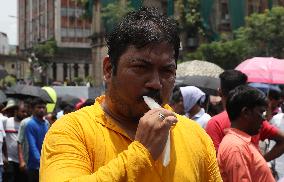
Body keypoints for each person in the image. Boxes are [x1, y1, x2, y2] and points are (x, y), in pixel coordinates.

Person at [40, 7, 222, 181]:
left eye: (167, 71)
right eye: (141, 68)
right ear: (109, 69)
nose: (156, 83)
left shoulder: (196, 137)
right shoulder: (71, 131)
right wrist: (141, 153)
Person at [205, 70, 284, 163]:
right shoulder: (253, 117)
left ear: (220, 92)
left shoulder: (215, 123)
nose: (262, 118)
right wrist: (260, 162)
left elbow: (216, 162)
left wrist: (258, 163)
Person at [218, 85, 274, 181]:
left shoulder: (240, 143)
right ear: (246, 112)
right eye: (261, 112)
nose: (264, 119)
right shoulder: (236, 147)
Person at [25, 98, 49, 182]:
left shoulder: (46, 123)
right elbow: (32, 146)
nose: (41, 110)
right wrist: (41, 162)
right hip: (34, 166)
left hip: (46, 165)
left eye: (43, 107)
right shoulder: (30, 124)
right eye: (39, 107)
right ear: (33, 109)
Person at [4, 101, 28, 182]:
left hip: (22, 160)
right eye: (22, 111)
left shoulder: (26, 124)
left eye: (26, 112)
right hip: (10, 159)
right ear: (16, 111)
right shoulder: (6, 122)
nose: (25, 114)